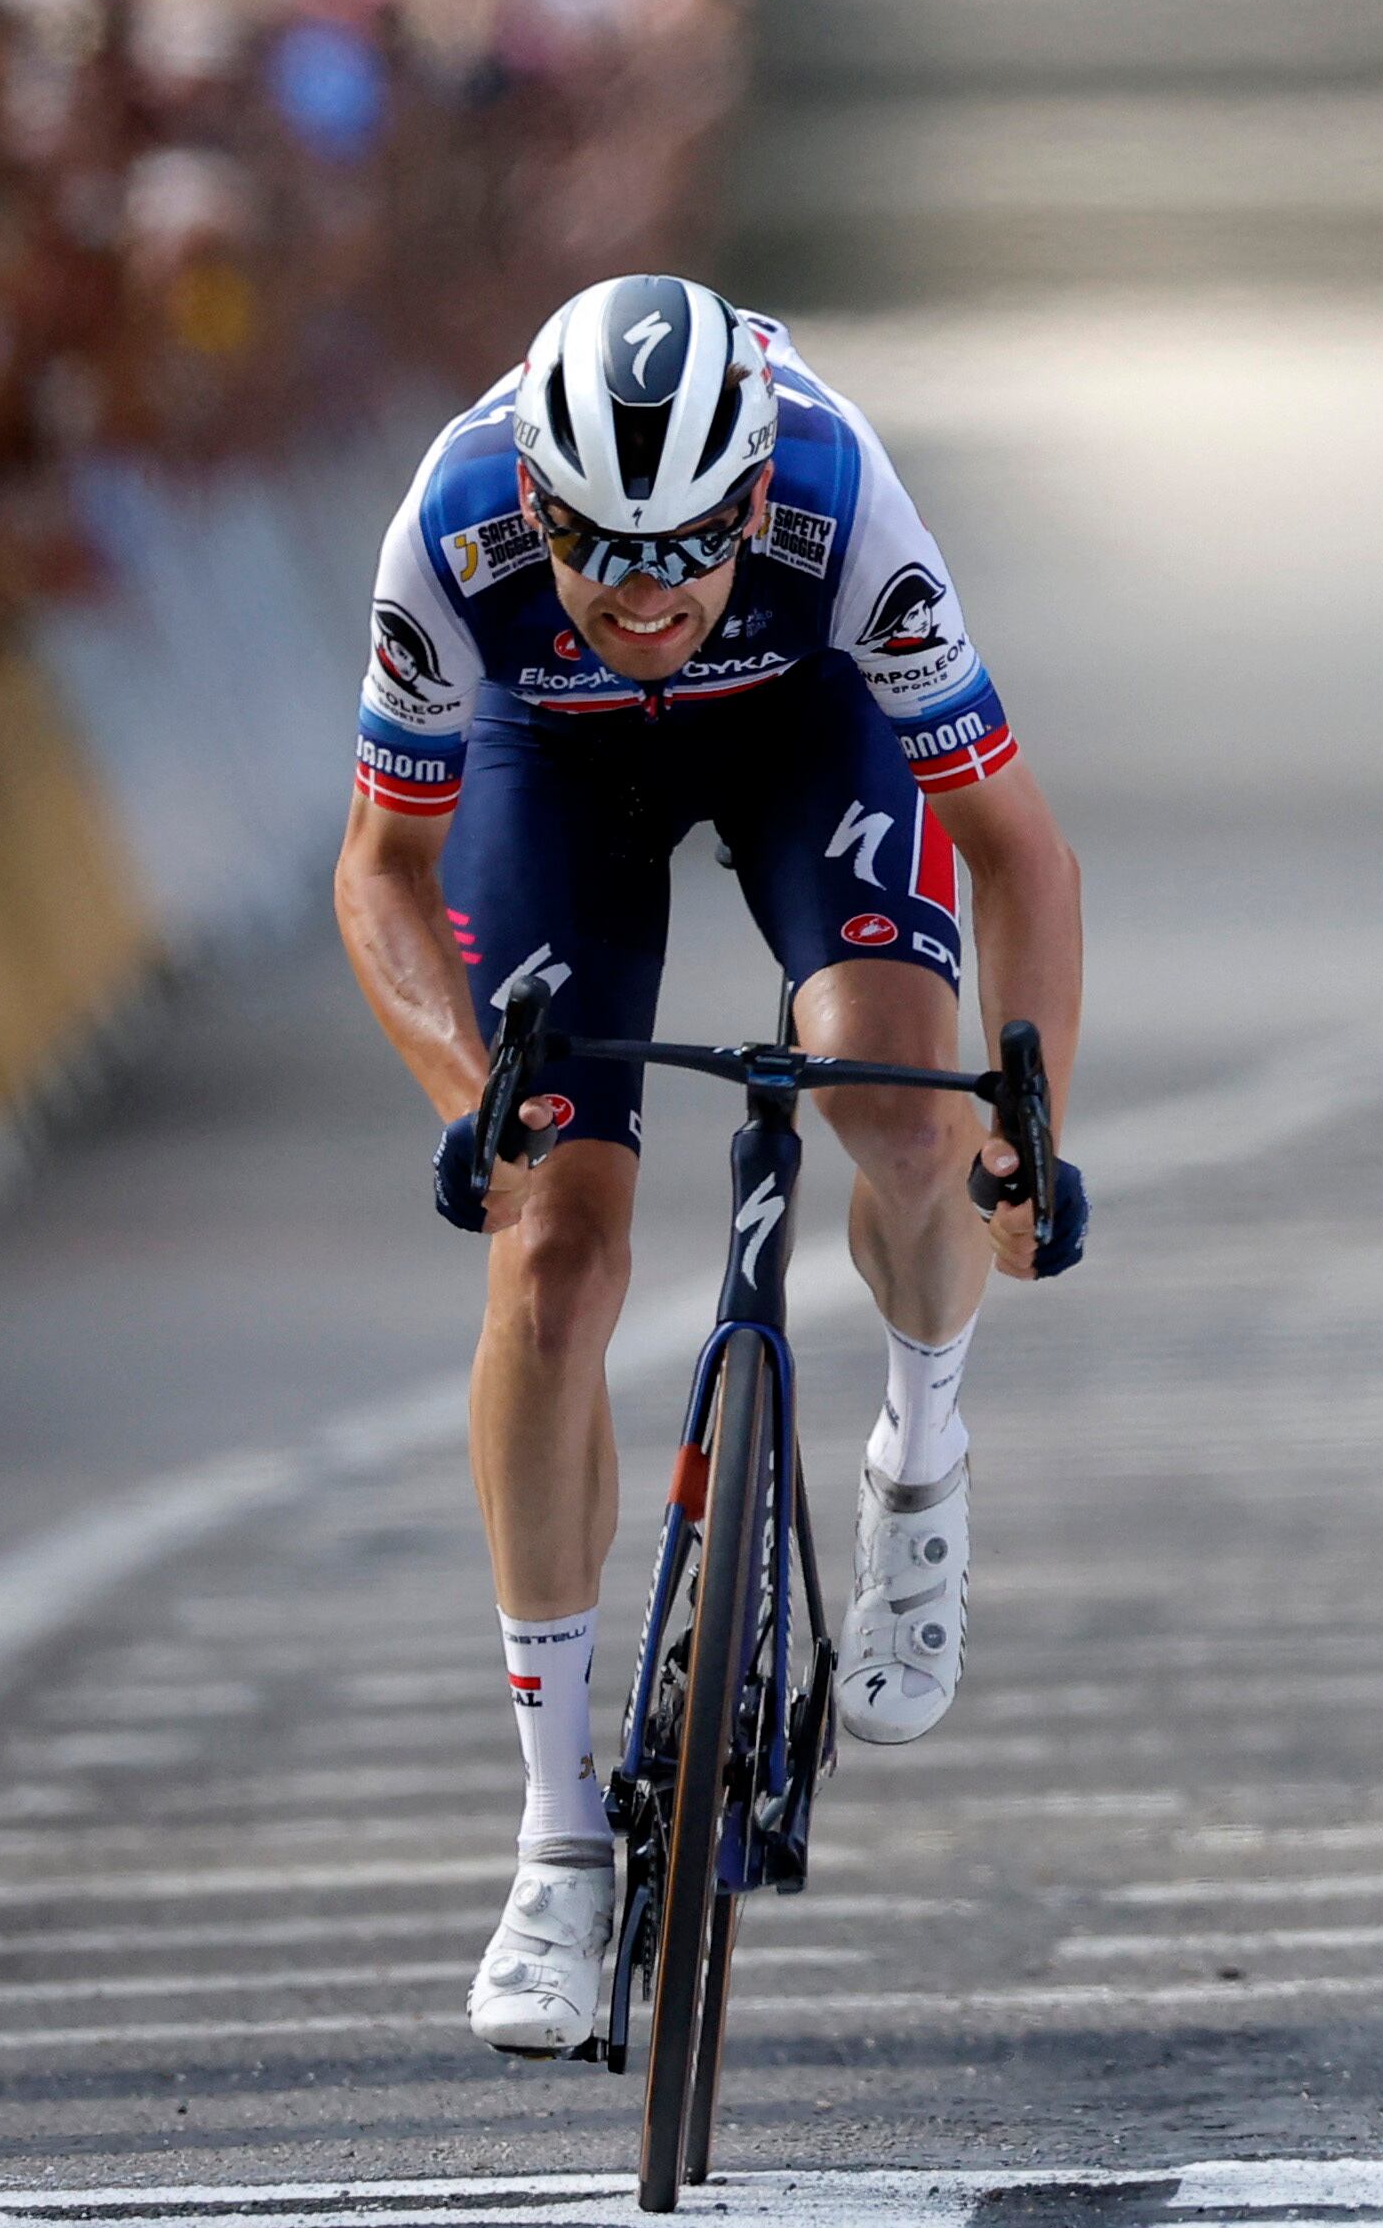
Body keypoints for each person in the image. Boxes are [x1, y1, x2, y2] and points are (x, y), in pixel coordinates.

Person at [332, 274, 1087, 2056]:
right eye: (601, 547)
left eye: (687, 545)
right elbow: (377, 869)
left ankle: (921, 1447)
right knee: (553, 1259)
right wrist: (472, 1094)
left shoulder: (840, 507)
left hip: (800, 719)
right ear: (536, 507)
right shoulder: (449, 527)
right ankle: (556, 1836)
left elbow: (1020, 852)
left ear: (752, 502)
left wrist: (1027, 1123)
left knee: (897, 1105)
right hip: (545, 761)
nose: (649, 588)